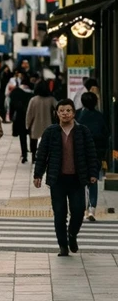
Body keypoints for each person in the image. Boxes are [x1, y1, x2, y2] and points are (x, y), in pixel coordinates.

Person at [34, 99, 98, 256]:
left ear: (74, 113)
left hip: (77, 179)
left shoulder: (82, 131)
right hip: (57, 179)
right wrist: (38, 174)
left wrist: (93, 174)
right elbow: (42, 155)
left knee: (78, 211)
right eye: (61, 111)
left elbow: (91, 153)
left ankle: (72, 234)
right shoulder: (51, 132)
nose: (65, 113)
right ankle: (63, 245)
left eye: (68, 110)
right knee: (59, 213)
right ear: (57, 113)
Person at [77, 91, 109, 222]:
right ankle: (92, 208)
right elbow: (106, 135)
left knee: (79, 181)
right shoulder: (100, 116)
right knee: (93, 179)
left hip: (80, 153)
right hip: (95, 153)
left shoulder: (78, 115)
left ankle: (82, 208)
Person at [26, 81, 58, 161]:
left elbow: (29, 114)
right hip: (48, 124)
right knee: (47, 142)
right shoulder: (51, 99)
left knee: (33, 141)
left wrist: (27, 125)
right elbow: (58, 107)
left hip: (35, 125)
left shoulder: (33, 100)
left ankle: (34, 156)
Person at [7, 73, 35, 163]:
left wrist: (11, 116)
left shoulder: (16, 92)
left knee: (22, 136)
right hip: (32, 117)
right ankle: (34, 154)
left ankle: (24, 154)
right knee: (32, 136)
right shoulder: (33, 93)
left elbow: (11, 105)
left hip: (20, 117)